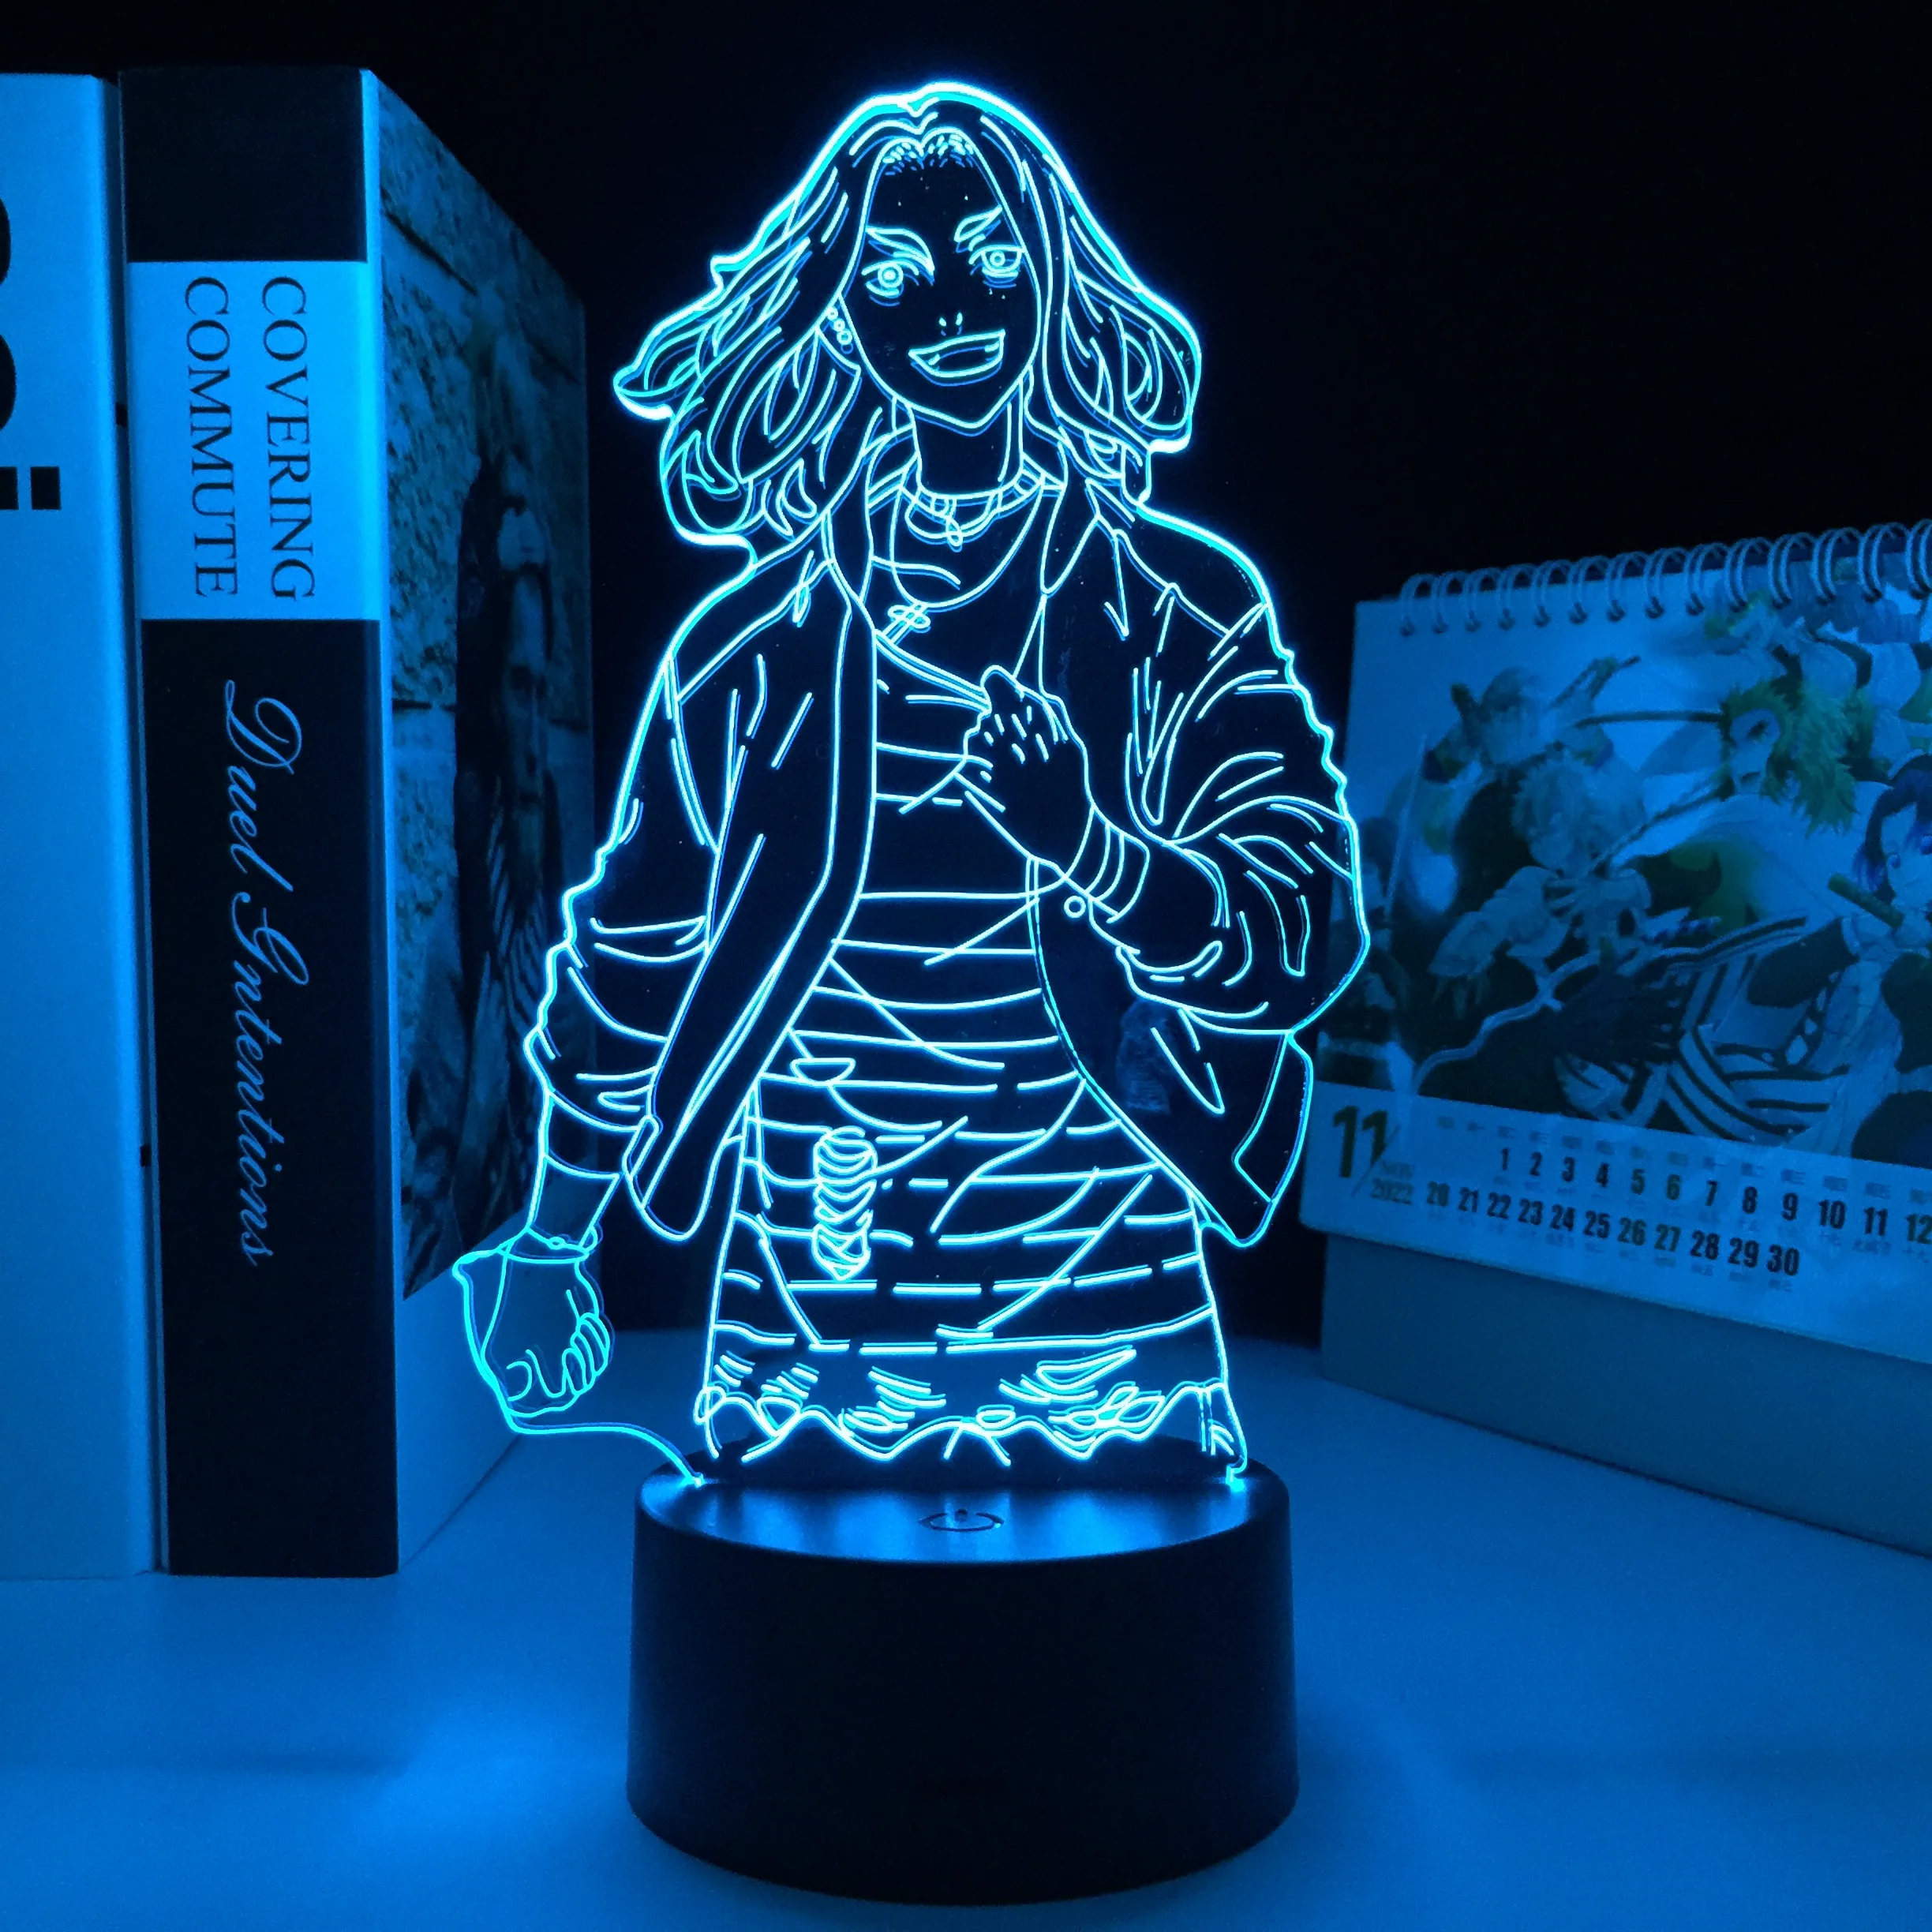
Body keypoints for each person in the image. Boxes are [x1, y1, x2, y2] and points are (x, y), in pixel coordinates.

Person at [458, 84, 1365, 1480]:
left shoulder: (1175, 604)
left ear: (1052, 280)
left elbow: (1304, 920)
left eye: (994, 259)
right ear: (838, 312)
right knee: (799, 1590)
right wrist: (550, 1242)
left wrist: (1097, 848)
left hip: (1104, 1277)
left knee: (1112, 1590)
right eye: (894, 274)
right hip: (818, 1290)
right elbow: (633, 957)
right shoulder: (748, 649)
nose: (952, 307)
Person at [403, 309, 567, 1290]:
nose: (535, 729)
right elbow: (431, 1227)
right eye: (516, 689)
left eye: (543, 691)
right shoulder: (454, 954)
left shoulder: (562, 913)